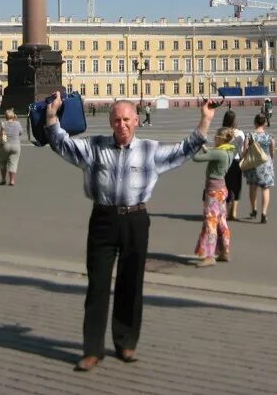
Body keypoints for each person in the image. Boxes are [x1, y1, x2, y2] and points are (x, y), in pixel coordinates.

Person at [43, 92, 215, 372]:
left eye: (126, 119)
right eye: (116, 120)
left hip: (136, 219)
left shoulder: (149, 149)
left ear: (136, 120)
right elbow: (62, 144)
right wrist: (52, 116)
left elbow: (184, 150)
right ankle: (92, 350)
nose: (121, 124)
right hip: (103, 219)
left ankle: (125, 342)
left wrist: (205, 120)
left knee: (131, 284)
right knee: (97, 285)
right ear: (110, 122)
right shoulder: (95, 147)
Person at [191, 127, 234, 267]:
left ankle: (210, 255)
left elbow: (196, 158)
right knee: (221, 221)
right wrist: (204, 147)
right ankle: (224, 251)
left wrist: (195, 146)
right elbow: (211, 154)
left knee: (211, 222)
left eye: (216, 137)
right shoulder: (229, 151)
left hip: (213, 191)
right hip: (222, 189)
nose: (214, 138)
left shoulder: (219, 152)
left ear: (221, 139)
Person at [240, 113, 276, 223]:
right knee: (265, 189)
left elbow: (245, 151)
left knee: (253, 187)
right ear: (265, 123)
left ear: (255, 122)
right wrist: (271, 160)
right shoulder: (270, 137)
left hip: (253, 165)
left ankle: (254, 209)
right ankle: (264, 213)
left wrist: (243, 157)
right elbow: (272, 151)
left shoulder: (250, 136)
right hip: (266, 164)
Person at [221, 110, 245, 221]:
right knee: (237, 187)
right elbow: (241, 151)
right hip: (235, 162)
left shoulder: (221, 132)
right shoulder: (240, 133)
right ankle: (233, 212)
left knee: (225, 187)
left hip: (224, 161)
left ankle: (225, 211)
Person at [0, 109, 24, 186]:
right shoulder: (17, 123)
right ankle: (12, 180)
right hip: (15, 145)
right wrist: (15, 120)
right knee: (13, 163)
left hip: (4, 145)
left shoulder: (2, 124)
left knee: (3, 162)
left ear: (5, 116)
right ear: (14, 116)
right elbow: (20, 133)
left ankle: (3, 179)